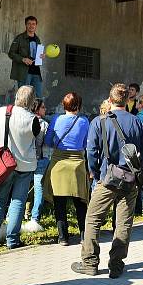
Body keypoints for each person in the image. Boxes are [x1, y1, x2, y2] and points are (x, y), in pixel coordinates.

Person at [72, 83, 143, 278]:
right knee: (123, 222)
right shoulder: (139, 122)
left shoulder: (99, 122)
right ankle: (116, 265)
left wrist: (94, 172)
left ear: (110, 98)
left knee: (93, 219)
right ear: (128, 100)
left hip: (107, 177)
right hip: (130, 178)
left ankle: (90, 262)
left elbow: (91, 151)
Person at [0, 86, 40, 249]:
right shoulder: (33, 119)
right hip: (25, 165)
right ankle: (12, 240)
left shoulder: (1, 112)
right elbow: (36, 136)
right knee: (18, 202)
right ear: (32, 101)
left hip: (3, 164)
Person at [43, 92, 90, 246]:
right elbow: (86, 143)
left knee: (59, 201)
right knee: (80, 201)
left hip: (58, 162)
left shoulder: (56, 119)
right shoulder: (84, 121)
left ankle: (63, 237)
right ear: (79, 105)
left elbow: (48, 140)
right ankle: (84, 235)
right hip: (77, 163)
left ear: (64, 105)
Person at [24, 98, 50, 233]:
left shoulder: (25, 121)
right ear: (37, 109)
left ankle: (18, 214)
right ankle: (35, 217)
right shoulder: (43, 124)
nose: (45, 109)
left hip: (25, 160)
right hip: (39, 159)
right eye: (43, 107)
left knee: (22, 187)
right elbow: (41, 142)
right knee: (38, 190)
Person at [8, 15, 44, 97]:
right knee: (24, 98)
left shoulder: (37, 39)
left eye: (33, 24)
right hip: (24, 73)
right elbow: (11, 53)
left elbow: (37, 55)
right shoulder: (19, 38)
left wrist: (41, 56)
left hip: (36, 72)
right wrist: (23, 59)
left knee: (38, 97)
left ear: (36, 26)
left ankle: (35, 110)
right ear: (26, 25)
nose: (31, 26)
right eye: (29, 23)